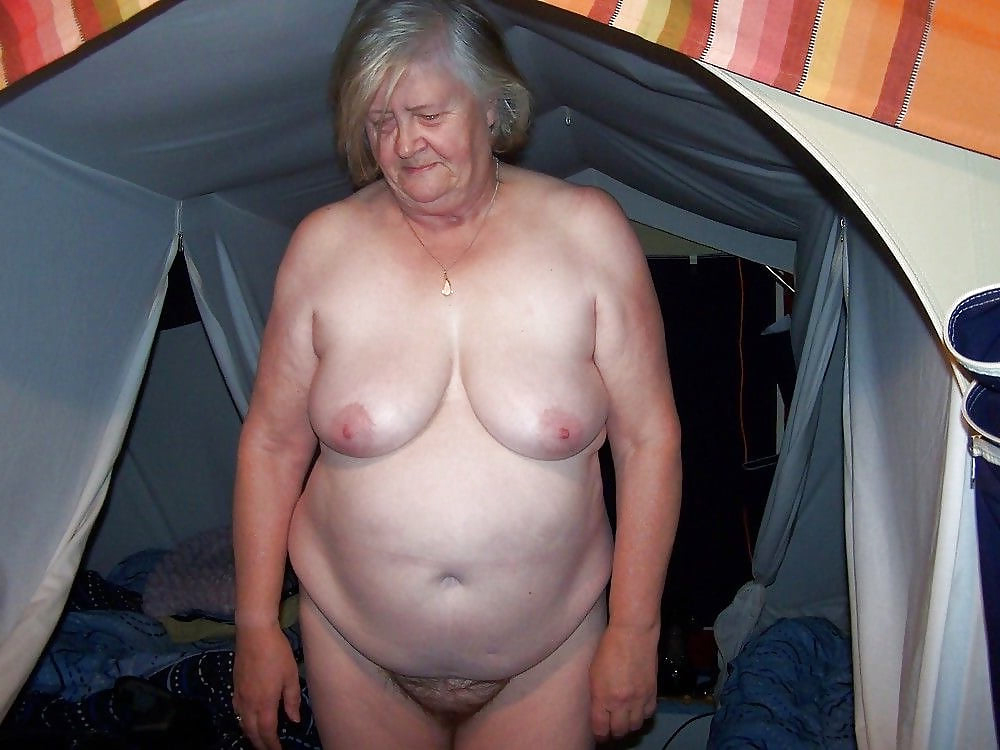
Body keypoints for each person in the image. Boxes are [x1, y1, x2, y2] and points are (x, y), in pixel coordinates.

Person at [231, 1, 682, 748]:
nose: (403, 144)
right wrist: (254, 624)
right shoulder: (321, 247)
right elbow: (271, 444)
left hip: (551, 657)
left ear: (493, 105)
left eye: (427, 114)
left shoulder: (588, 233)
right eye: (380, 122)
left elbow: (650, 440)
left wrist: (637, 629)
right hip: (354, 651)